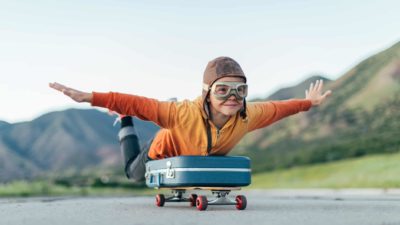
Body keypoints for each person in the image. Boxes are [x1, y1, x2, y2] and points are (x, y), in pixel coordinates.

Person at [49, 56, 332, 182]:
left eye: (240, 90)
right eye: (223, 89)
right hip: (162, 153)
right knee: (132, 175)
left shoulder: (248, 115)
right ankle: (124, 123)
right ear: (207, 92)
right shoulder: (183, 113)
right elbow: (137, 103)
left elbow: (280, 107)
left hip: (196, 160)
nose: (233, 97)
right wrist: (92, 97)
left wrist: (309, 103)